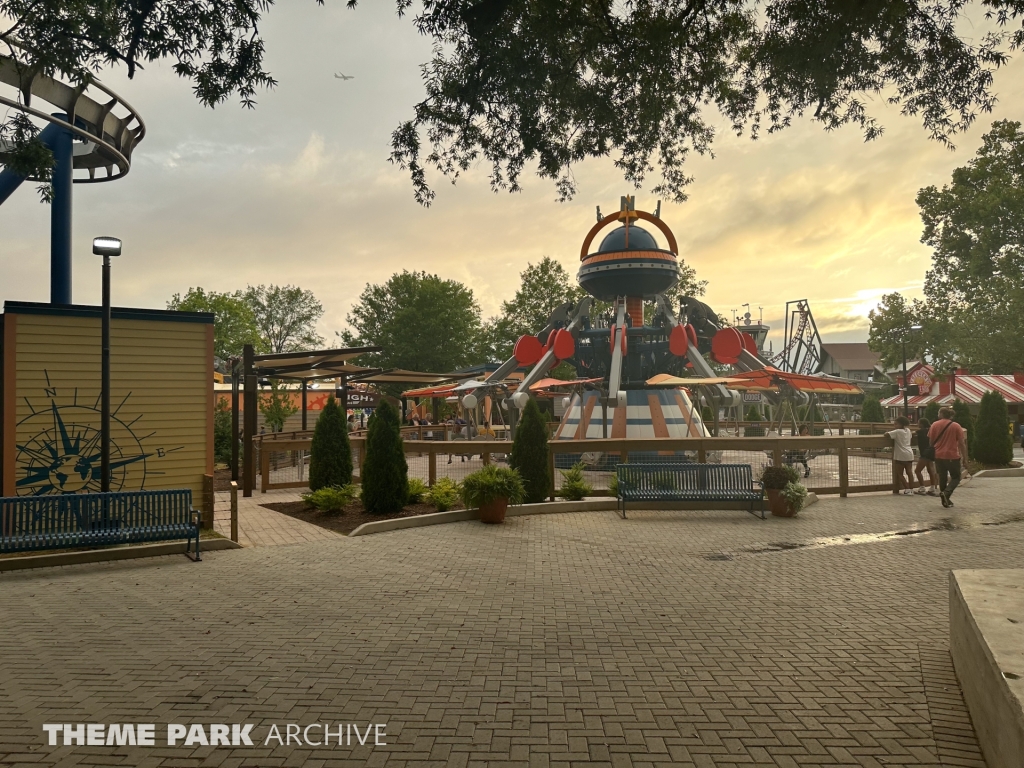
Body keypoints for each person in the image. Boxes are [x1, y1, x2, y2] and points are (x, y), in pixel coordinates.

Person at [928, 406, 968, 508]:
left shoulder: (934, 425)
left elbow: (931, 441)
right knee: (956, 477)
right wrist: (965, 458)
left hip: (938, 455)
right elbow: (962, 443)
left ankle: (945, 500)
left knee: (942, 477)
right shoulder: (956, 426)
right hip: (952, 455)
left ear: (941, 414)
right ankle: (947, 493)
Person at [886, 416, 915, 495]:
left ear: (901, 424)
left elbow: (887, 435)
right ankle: (912, 488)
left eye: (896, 424)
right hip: (909, 453)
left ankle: (907, 488)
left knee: (900, 473)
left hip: (900, 455)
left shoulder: (897, 431)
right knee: (909, 472)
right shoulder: (908, 430)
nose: (894, 425)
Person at [913, 418, 939, 496]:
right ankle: (932, 488)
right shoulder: (930, 430)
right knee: (931, 470)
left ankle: (922, 488)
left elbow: (911, 433)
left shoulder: (921, 431)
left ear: (922, 424)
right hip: (931, 452)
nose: (917, 424)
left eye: (918, 423)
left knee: (917, 470)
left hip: (924, 453)